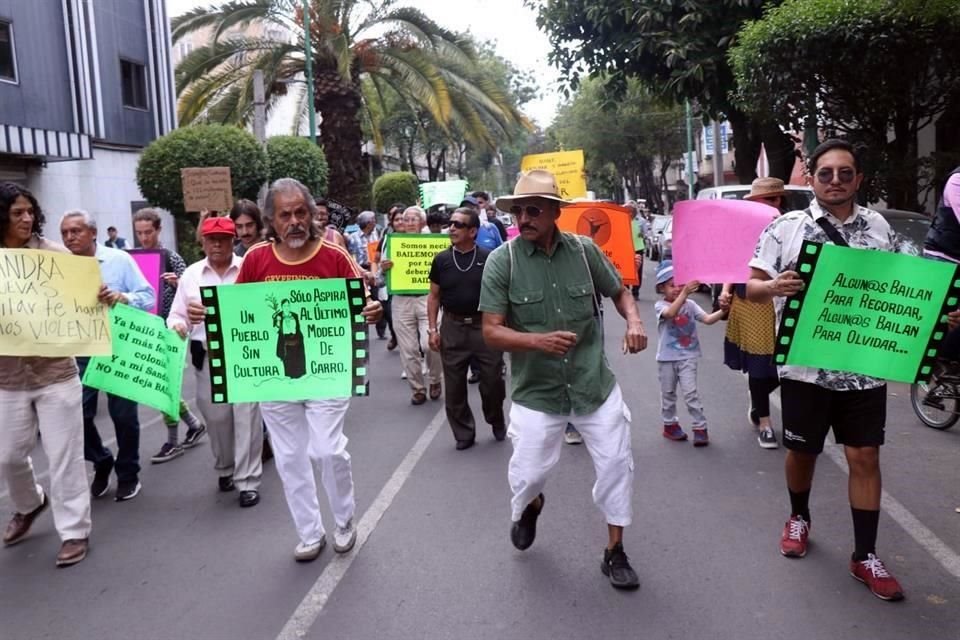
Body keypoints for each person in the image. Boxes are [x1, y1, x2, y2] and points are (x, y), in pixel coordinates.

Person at [747, 139, 906, 601]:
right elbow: (750, 286)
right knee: (803, 452)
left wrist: (939, 311)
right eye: (826, 173)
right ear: (811, 179)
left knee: (865, 456)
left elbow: (904, 287)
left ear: (859, 179)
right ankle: (799, 515)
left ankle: (865, 555)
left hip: (864, 365)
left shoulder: (879, 227)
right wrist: (773, 287)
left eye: (845, 173)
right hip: (804, 368)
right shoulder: (786, 228)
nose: (835, 180)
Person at [479, 169, 648, 590]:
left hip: (593, 384)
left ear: (555, 212)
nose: (524, 218)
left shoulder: (585, 251)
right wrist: (537, 342)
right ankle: (532, 503)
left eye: (533, 210)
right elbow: (491, 331)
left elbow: (620, 291)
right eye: (518, 211)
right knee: (527, 474)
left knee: (616, 464)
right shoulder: (503, 261)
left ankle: (615, 551)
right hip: (537, 392)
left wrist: (634, 320)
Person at [235, 177, 382, 561]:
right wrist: (208, 314)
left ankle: (344, 520)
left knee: (327, 450)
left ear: (312, 214)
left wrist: (371, 308)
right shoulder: (256, 259)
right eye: (285, 215)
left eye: (301, 212)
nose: (295, 221)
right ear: (271, 220)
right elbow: (238, 312)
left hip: (328, 373)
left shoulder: (334, 256)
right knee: (289, 458)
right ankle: (309, 532)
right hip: (274, 377)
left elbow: (362, 299)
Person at [0, 183, 92, 567]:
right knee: (7, 456)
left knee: (64, 456)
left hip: (56, 374)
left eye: (30, 211)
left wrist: (103, 296)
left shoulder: (55, 255)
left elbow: (85, 299)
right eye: (17, 213)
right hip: (7, 378)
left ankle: (74, 532)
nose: (27, 219)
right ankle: (30, 503)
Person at [167, 216, 264, 508]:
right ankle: (225, 467)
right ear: (203, 242)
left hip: (246, 353)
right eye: (212, 240)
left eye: (223, 239)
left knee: (247, 417)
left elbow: (266, 306)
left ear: (233, 240)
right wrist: (180, 325)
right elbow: (176, 315)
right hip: (208, 356)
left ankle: (248, 481)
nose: (217, 245)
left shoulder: (250, 268)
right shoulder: (191, 275)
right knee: (217, 417)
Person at [60, 210, 155, 502]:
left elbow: (148, 295)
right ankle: (101, 460)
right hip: (80, 350)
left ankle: (128, 474)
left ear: (93, 233)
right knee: (76, 416)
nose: (69, 238)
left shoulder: (119, 260)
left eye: (76, 231)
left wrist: (122, 297)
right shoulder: (59, 266)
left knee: (123, 416)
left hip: (119, 348)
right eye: (64, 233)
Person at [426, 207, 506, 450]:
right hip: (453, 327)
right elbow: (433, 297)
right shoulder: (441, 260)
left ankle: (495, 417)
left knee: (492, 381)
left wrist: (503, 325)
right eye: (450, 224)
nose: (451, 228)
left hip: (484, 326)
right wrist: (432, 330)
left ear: (472, 231)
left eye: (458, 225)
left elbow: (502, 293)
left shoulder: (489, 258)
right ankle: (463, 433)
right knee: (454, 386)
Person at [132, 208, 207, 463]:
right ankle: (193, 424)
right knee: (159, 385)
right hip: (145, 330)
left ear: (158, 230)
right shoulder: (134, 259)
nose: (144, 238)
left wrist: (177, 283)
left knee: (163, 386)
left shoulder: (171, 257)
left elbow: (191, 290)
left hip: (170, 331)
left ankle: (173, 440)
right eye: (140, 233)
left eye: (148, 232)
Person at [719, 177, 785, 449]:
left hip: (783, 300)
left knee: (784, 368)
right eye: (762, 200)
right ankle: (765, 424)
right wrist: (725, 291)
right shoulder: (741, 229)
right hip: (750, 303)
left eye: (773, 199)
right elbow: (732, 263)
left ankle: (757, 399)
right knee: (759, 363)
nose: (768, 204)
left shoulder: (792, 225)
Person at [654, 260, 725, 446]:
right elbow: (670, 314)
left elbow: (707, 319)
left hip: (688, 357)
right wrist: (684, 293)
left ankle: (700, 427)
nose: (677, 289)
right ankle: (669, 425)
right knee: (668, 394)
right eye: (672, 286)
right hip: (666, 359)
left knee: (691, 393)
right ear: (662, 288)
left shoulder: (691, 305)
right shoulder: (660, 306)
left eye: (680, 284)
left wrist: (723, 311)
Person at [381, 206, 444, 404]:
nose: (408, 223)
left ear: (422, 222)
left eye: (413, 219)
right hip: (401, 300)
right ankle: (417, 388)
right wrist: (384, 269)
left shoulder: (433, 243)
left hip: (427, 299)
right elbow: (380, 276)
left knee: (430, 343)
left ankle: (435, 379)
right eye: (405, 219)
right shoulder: (392, 243)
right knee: (408, 349)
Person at [374, 205, 405, 351]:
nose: (400, 222)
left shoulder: (419, 238)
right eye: (396, 219)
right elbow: (377, 259)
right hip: (389, 287)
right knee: (392, 318)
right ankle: (396, 337)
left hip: (411, 289)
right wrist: (379, 271)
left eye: (403, 219)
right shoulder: (386, 239)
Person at [273, 299, 306, 378]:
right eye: (285, 306)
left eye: (288, 305)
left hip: (295, 340)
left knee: (296, 359)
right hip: (286, 341)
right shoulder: (278, 316)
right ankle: (289, 377)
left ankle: (298, 376)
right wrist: (278, 321)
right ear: (282, 307)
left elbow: (298, 328)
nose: (287, 307)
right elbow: (276, 330)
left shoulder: (294, 315)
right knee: (288, 360)